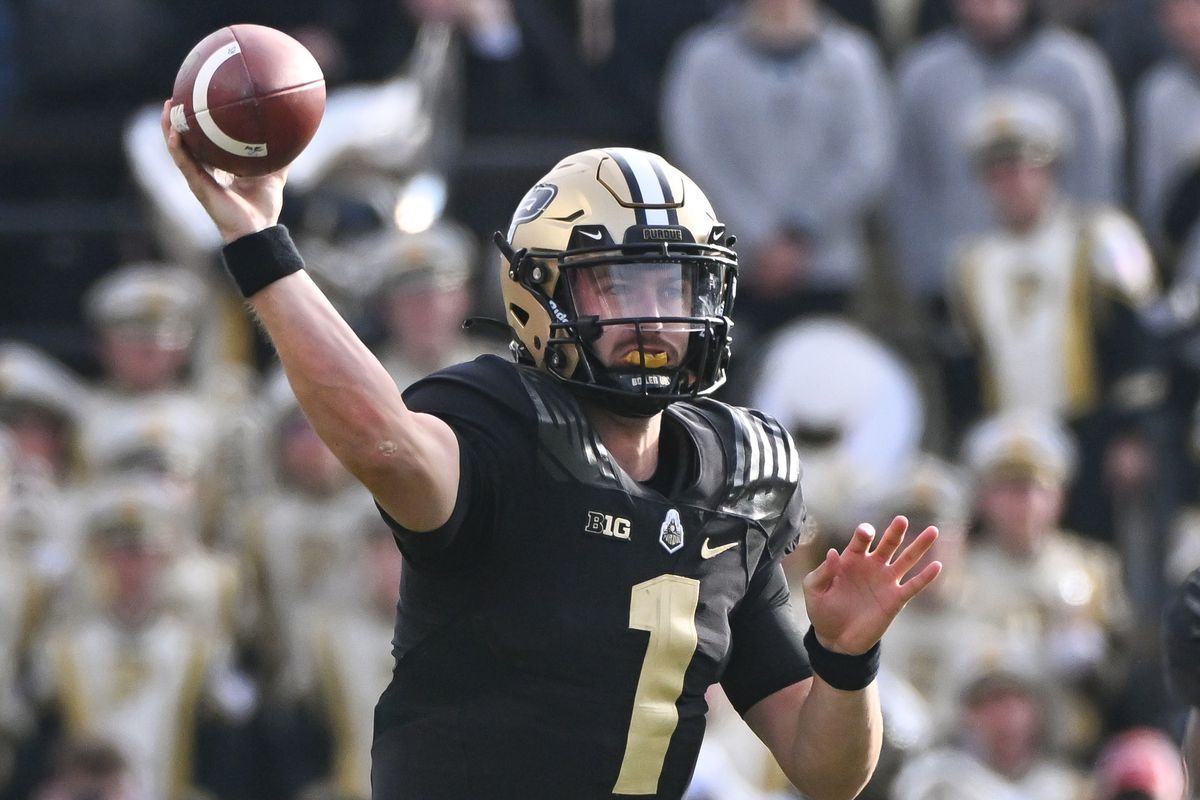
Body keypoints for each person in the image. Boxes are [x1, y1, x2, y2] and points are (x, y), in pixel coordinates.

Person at [162, 104, 943, 799]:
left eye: (674, 288)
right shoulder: (501, 426)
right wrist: (260, 243)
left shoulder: (736, 476)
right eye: (619, 288)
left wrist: (846, 659)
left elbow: (827, 773)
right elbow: (383, 441)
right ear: (541, 296)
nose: (655, 319)